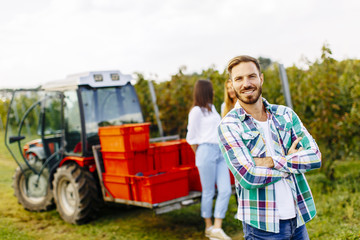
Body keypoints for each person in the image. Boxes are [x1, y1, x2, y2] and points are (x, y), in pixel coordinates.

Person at [218, 55, 321, 239]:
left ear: (261, 78)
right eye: (239, 79)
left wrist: (269, 162)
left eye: (251, 76)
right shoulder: (229, 126)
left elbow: (314, 156)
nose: (246, 83)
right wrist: (291, 164)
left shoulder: (286, 115)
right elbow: (248, 176)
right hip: (262, 226)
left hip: (297, 218)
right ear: (231, 84)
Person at [186, 79, 232, 240]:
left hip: (219, 151)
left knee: (225, 190)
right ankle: (208, 227)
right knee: (208, 192)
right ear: (205, 91)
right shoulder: (196, 111)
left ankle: (217, 227)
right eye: (211, 90)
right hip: (205, 151)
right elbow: (191, 138)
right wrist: (200, 153)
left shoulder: (212, 109)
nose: (213, 92)